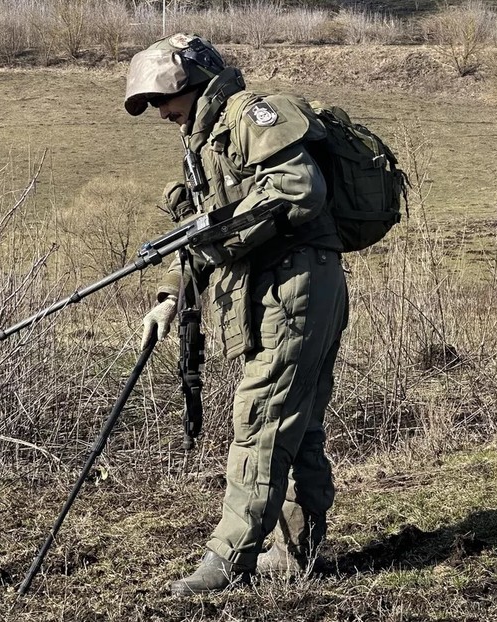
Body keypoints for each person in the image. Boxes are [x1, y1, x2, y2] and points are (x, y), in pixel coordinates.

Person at [124, 33, 349, 596]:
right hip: (276, 289)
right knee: (297, 425)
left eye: (163, 99)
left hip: (293, 285)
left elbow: (299, 187)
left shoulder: (248, 115)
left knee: (261, 420)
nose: (160, 113)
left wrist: (215, 232)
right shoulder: (204, 142)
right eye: (151, 104)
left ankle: (228, 561)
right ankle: (297, 553)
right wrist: (172, 297)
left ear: (195, 84)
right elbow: (208, 239)